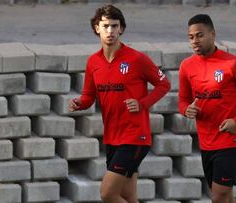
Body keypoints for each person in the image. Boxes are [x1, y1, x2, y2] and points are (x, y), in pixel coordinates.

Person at [69, 5, 170, 203]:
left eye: (115, 26)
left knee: (108, 194)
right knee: (127, 196)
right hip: (112, 137)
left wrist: (142, 103)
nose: (110, 31)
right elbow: (89, 96)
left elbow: (164, 84)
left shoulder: (137, 59)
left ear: (121, 29)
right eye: (106, 26)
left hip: (135, 136)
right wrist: (79, 103)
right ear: (97, 28)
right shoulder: (93, 62)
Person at [178, 14, 236, 203]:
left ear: (212, 34)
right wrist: (186, 110)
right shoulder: (186, 66)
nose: (195, 41)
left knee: (219, 196)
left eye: (200, 35)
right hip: (206, 141)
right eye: (191, 37)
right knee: (224, 197)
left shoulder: (234, 64)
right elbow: (183, 100)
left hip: (231, 140)